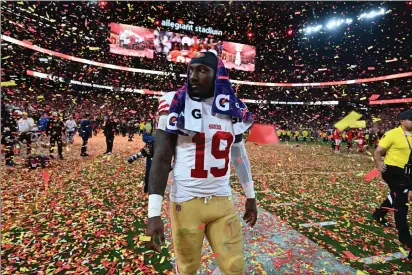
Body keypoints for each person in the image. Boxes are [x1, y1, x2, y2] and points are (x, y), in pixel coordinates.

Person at [145, 52, 258, 275]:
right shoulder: (173, 102)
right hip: (186, 202)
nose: (193, 76)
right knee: (187, 269)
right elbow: (161, 157)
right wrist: (153, 213)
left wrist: (251, 196)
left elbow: (239, 155)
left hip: (222, 200)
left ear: (219, 76)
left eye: (202, 70)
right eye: (191, 70)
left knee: (234, 267)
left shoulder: (232, 107)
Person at [373, 110, 412, 260]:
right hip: (393, 171)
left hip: (407, 173)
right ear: (402, 121)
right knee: (401, 204)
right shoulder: (392, 134)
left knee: (396, 194)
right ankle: (407, 240)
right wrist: (378, 162)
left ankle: (379, 213)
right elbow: (379, 151)